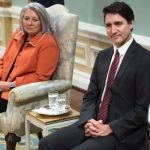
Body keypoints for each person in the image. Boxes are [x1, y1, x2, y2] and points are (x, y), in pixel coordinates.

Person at [39, 1, 150, 150]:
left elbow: (140, 111)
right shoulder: (103, 56)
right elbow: (90, 96)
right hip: (94, 122)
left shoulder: (144, 59)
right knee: (46, 144)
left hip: (122, 131)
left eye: (118, 24)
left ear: (131, 24)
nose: (113, 30)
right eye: (108, 25)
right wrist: (89, 121)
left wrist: (109, 127)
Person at [0, 3, 59, 115]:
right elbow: (3, 61)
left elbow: (40, 77)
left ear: (42, 22)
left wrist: (10, 85)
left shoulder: (47, 43)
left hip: (17, 93)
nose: (29, 23)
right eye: (26, 18)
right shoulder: (17, 34)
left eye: (35, 20)